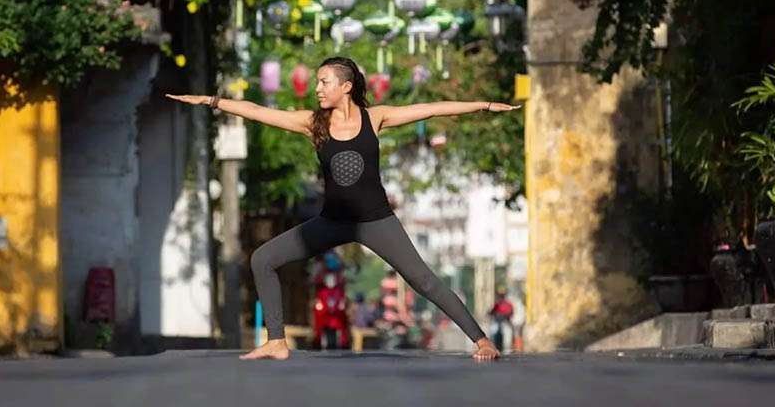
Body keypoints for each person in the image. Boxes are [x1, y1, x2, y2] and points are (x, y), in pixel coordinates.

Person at [166, 56, 521, 362]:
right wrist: (212, 101)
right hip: (332, 223)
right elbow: (258, 112)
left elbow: (432, 108)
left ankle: (482, 339)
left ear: (346, 86)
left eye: (325, 82)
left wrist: (483, 105)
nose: (318, 89)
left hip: (376, 221)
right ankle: (276, 341)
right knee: (263, 259)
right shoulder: (312, 123)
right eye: (317, 82)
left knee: (424, 280)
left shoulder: (375, 118)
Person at [488, 287, 514, 352]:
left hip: (505, 322)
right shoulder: (496, 304)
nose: (501, 296)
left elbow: (511, 313)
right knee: (493, 331)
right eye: (500, 295)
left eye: (502, 295)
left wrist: (504, 315)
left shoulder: (508, 304)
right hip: (497, 322)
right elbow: (490, 312)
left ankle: (507, 349)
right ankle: (492, 347)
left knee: (507, 333)